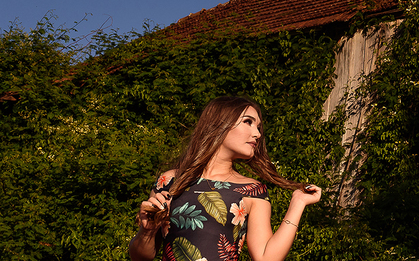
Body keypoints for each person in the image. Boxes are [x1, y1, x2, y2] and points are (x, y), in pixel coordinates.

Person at [128, 95, 322, 261]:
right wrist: (146, 232)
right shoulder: (170, 181)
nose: (257, 134)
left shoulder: (252, 190)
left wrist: (297, 204)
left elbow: (266, 257)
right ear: (220, 123)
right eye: (248, 122)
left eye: (258, 127)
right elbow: (140, 257)